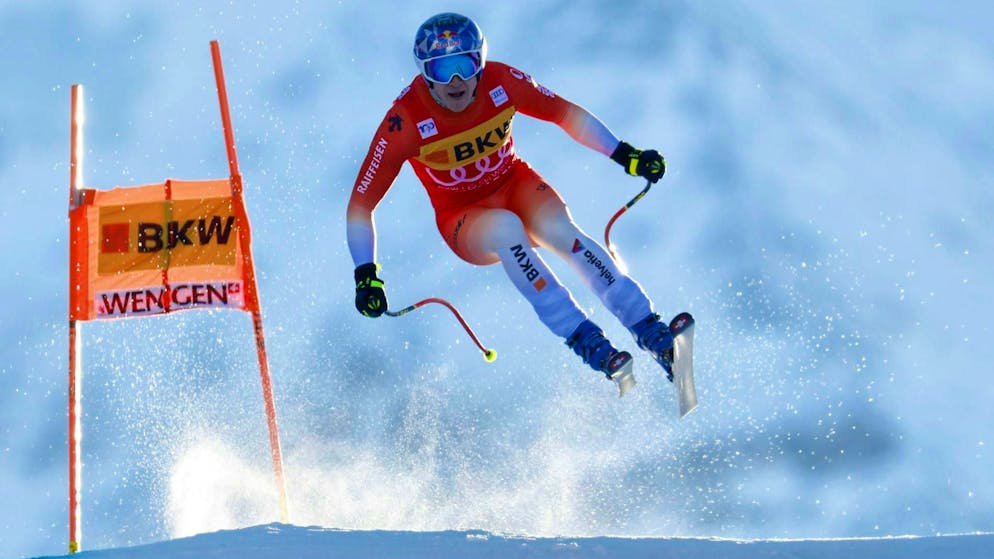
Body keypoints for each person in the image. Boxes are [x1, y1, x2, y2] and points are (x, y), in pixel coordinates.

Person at [347, 12, 674, 395]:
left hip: (516, 185)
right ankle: (588, 342)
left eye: (464, 64)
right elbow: (361, 206)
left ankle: (652, 330)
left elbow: (565, 114)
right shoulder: (404, 120)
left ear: (481, 62)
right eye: (442, 69)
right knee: (505, 229)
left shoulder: (502, 81)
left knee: (561, 231)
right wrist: (365, 275)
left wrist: (625, 155)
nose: (455, 81)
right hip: (463, 218)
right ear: (424, 73)